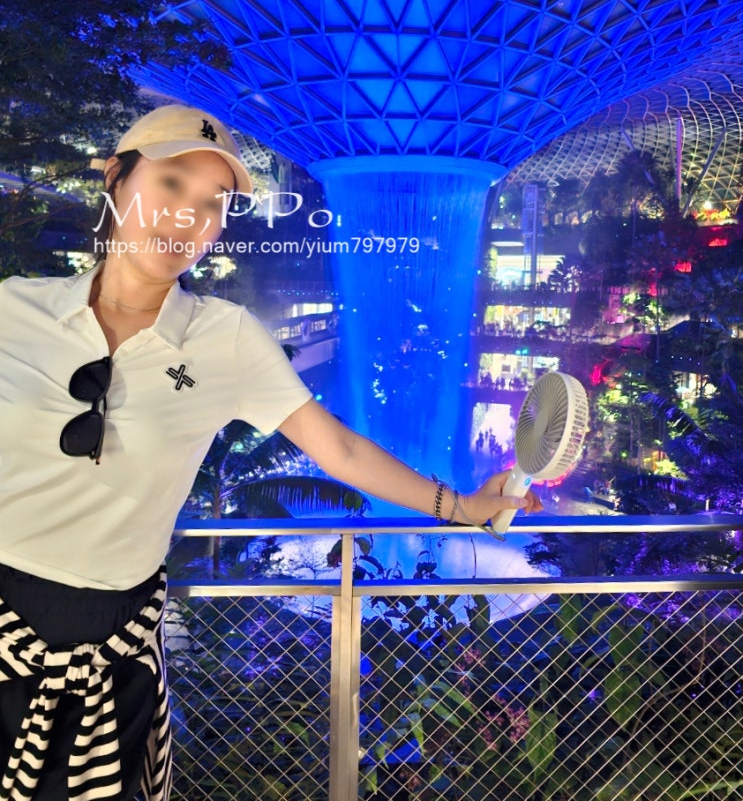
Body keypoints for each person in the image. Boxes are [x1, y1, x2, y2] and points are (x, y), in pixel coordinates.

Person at [0, 104, 542, 801]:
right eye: (171, 183)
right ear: (116, 178)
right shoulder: (16, 310)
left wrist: (460, 506)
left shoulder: (224, 337)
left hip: (113, 648)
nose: (188, 217)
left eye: (213, 203)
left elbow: (339, 448)